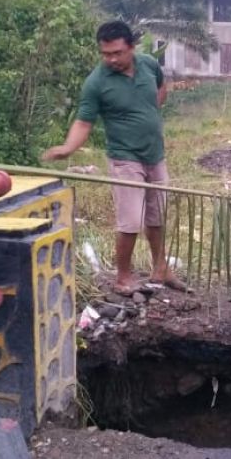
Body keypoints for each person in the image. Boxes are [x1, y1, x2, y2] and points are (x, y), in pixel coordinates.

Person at [42, 20, 184, 294]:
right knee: (130, 221)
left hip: (155, 154)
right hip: (124, 157)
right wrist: (67, 148)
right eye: (105, 54)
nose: (111, 59)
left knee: (157, 216)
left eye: (117, 53)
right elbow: (84, 122)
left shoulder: (148, 65)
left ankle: (160, 267)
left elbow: (161, 88)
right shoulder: (96, 82)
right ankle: (123, 277)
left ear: (132, 47)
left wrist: (149, 114)